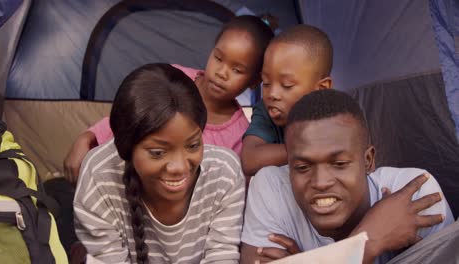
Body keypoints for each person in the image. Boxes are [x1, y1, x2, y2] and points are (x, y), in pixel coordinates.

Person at [240, 89, 454, 264]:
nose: (321, 182)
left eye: (339, 164)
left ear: (368, 160)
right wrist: (367, 242)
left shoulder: (414, 194)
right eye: (303, 167)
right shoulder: (271, 187)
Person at [64, 15, 274, 185]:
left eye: (237, 70)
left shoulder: (239, 136)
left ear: (254, 81)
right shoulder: (172, 78)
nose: (222, 72)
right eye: (218, 58)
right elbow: (125, 118)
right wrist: (87, 138)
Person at [74, 64, 245, 263]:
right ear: (127, 148)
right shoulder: (99, 176)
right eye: (158, 152)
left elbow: (222, 257)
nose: (179, 167)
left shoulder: (224, 172)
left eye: (193, 145)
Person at [241, 24, 333, 176]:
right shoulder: (265, 111)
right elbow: (250, 159)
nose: (272, 94)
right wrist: (308, 149)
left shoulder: (340, 117)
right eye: (267, 83)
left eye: (287, 85)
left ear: (321, 89)